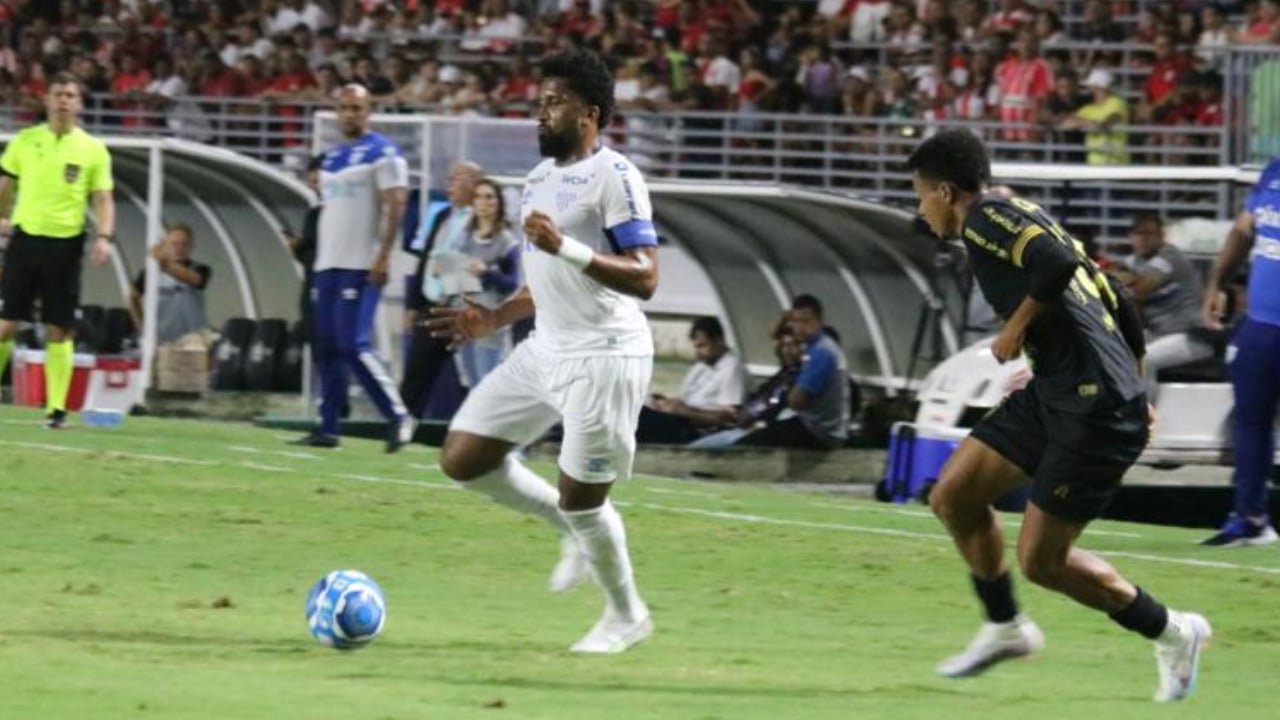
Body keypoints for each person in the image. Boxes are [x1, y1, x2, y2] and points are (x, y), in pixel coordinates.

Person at [905, 128, 1209, 701]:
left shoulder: (985, 220)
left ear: (945, 191)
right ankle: (1005, 627)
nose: (921, 210)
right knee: (954, 496)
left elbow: (1058, 264)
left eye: (920, 195)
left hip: (1094, 409)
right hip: (1058, 391)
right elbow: (1115, 292)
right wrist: (1135, 376)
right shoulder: (1022, 212)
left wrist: (1014, 329)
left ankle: (1173, 630)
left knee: (1042, 562)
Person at [427, 49, 658, 653]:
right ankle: (567, 528)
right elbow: (543, 278)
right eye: (540, 102)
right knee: (463, 458)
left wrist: (567, 247)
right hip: (546, 346)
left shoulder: (616, 176)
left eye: (555, 103)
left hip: (605, 355)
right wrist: (494, 318)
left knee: (585, 499)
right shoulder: (537, 180)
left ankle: (626, 615)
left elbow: (645, 276)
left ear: (590, 114)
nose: (541, 114)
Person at [290, 84, 414, 452]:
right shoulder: (330, 159)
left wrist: (383, 255)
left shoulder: (384, 153)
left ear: (368, 111)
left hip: (361, 264)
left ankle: (398, 416)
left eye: (356, 108)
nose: (349, 114)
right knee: (327, 346)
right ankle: (328, 428)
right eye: (343, 108)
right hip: (327, 265)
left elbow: (396, 205)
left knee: (353, 345)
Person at [0, 73, 115, 429]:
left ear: (79, 103)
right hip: (26, 240)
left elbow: (103, 198)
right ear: (47, 100)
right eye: (58, 94)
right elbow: (6, 183)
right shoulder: (25, 141)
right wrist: (2, 217)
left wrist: (104, 236)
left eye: (70, 95)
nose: (64, 100)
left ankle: (56, 410)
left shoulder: (93, 149)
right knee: (6, 323)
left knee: (60, 327)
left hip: (66, 244)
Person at [1200, 156, 1280, 546]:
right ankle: (1250, 518)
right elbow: (1242, 231)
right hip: (1262, 325)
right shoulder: (1273, 172)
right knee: (1250, 421)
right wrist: (1216, 284)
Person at [400, 161, 483, 418]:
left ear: (474, 185)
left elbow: (481, 263)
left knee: (469, 378)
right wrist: (412, 305)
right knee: (416, 373)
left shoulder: (483, 220)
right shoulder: (441, 215)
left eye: (456, 179)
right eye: (449, 180)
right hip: (433, 306)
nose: (449, 186)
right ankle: (403, 426)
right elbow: (425, 258)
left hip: (464, 310)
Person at [1113, 213, 1213, 400]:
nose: (1143, 239)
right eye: (1138, 234)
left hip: (1190, 336)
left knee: (1145, 360)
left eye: (1149, 234)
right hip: (1159, 334)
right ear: (1131, 237)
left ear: (1161, 236)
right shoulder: (1133, 261)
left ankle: (1144, 414)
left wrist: (1118, 277)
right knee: (1112, 348)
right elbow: (1117, 285)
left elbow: (1142, 287)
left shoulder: (1170, 256)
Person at [735, 296, 849, 449]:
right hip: (819, 428)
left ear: (820, 320)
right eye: (795, 321)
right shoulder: (817, 347)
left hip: (817, 431)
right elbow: (774, 334)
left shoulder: (821, 352)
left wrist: (792, 385)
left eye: (805, 321)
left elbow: (796, 401)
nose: (799, 327)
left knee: (745, 447)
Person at [450, 177, 522, 389]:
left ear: (498, 203)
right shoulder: (463, 237)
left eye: (489, 197)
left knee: (486, 385)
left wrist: (486, 273)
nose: (483, 202)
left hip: (488, 322)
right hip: (463, 318)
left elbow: (512, 284)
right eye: (478, 197)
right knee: (471, 383)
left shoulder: (507, 242)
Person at [690, 325, 804, 449]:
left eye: (793, 345)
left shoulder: (801, 380)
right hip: (741, 428)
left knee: (697, 451)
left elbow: (786, 415)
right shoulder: (782, 376)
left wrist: (761, 425)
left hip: (758, 434)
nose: (786, 351)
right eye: (783, 345)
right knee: (692, 449)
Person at [636, 316, 746, 444]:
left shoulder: (731, 368)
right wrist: (665, 403)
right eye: (696, 347)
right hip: (678, 419)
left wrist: (685, 411)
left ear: (719, 340)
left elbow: (729, 418)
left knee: (637, 415)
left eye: (702, 346)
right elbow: (686, 401)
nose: (698, 352)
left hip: (693, 429)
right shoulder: (702, 366)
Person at [129, 223, 212, 344]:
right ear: (165, 245)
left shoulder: (201, 269)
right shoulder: (150, 273)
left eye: (184, 244)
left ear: (192, 246)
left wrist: (165, 263)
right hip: (161, 339)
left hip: (194, 340)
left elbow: (194, 279)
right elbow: (133, 297)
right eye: (174, 244)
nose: (179, 248)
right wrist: (142, 326)